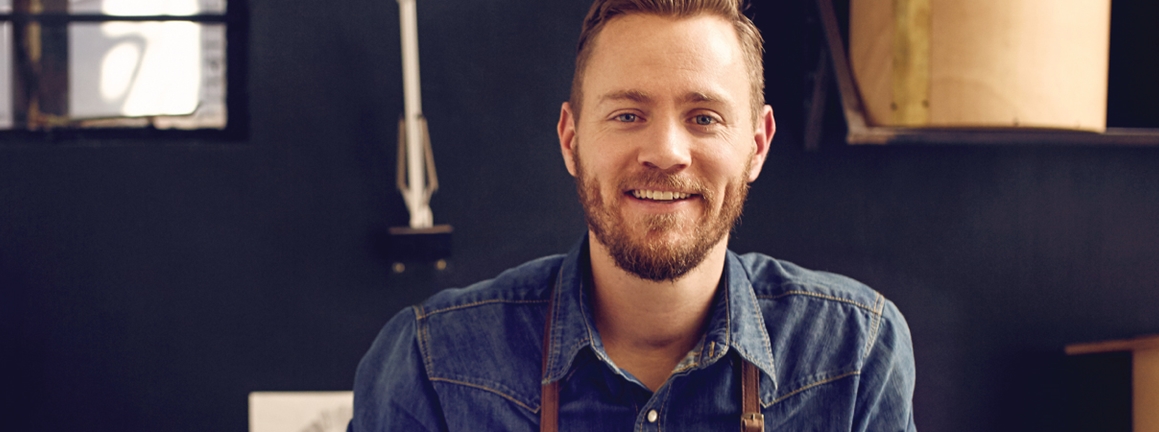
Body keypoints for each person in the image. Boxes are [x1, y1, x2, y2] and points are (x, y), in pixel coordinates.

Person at [350, 0, 916, 430]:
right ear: (571, 141)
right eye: (626, 114)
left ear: (758, 145)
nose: (665, 151)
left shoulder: (854, 353)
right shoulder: (434, 364)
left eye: (704, 118)